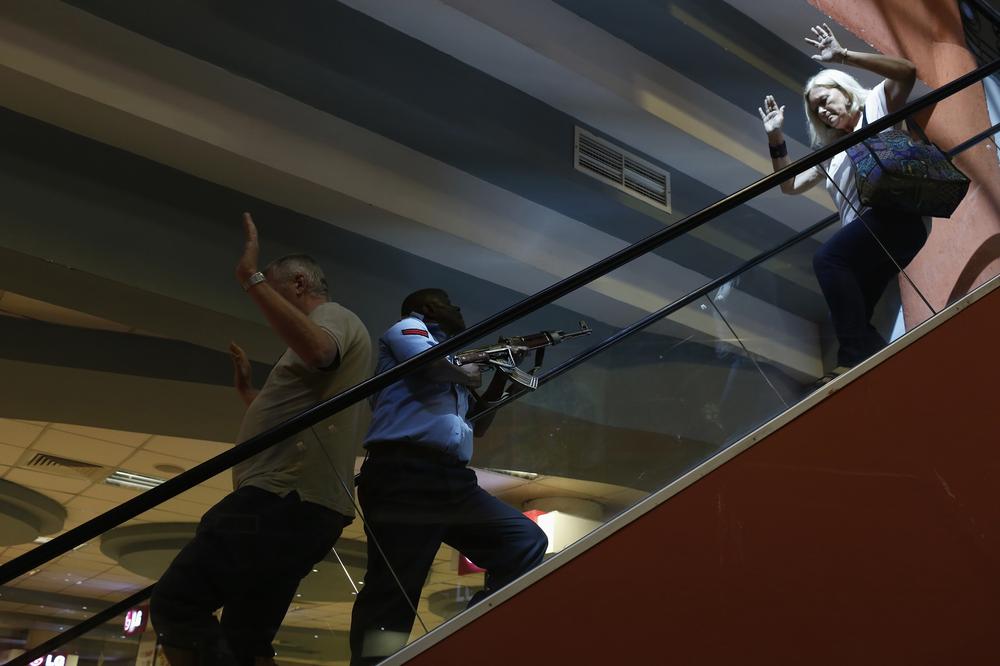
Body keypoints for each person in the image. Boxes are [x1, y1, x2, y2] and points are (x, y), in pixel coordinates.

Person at [150, 213, 372, 666]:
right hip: (301, 507)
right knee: (245, 636)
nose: (269, 298)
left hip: (282, 499)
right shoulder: (329, 330)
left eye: (274, 288)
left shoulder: (334, 316)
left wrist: (250, 278)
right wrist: (251, 394)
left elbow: (320, 352)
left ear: (297, 284)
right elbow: (306, 397)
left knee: (177, 603)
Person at [349, 288, 548, 665]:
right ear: (427, 308)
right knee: (394, 590)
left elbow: (480, 424)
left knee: (524, 542)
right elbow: (433, 368)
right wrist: (473, 371)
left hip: (452, 480)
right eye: (450, 303)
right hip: (404, 474)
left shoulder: (453, 362)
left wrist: (502, 373)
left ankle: (464, 633)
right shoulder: (409, 328)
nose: (458, 308)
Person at [759, 24, 926, 379]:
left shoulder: (877, 104)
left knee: (828, 259)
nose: (821, 112)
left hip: (897, 216)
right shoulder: (830, 153)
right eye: (815, 111)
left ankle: (850, 360)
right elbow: (789, 185)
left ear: (844, 91)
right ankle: (892, 369)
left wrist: (844, 56)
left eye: (825, 101)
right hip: (870, 238)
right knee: (854, 315)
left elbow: (908, 72)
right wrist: (776, 137)